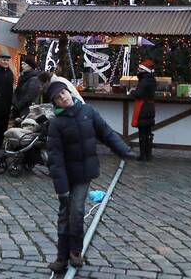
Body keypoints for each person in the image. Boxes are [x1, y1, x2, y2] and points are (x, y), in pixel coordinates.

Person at [44, 82, 133, 273]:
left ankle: (75, 252)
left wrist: (123, 150)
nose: (63, 97)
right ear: (55, 103)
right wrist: (62, 189)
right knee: (64, 214)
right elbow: (55, 159)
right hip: (66, 177)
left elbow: (106, 133)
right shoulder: (56, 124)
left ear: (69, 92)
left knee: (76, 211)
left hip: (84, 174)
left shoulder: (88, 112)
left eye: (64, 93)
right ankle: (61, 257)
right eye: (58, 97)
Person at [130, 59, 157, 161]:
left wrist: (132, 92)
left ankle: (143, 155)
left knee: (142, 133)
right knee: (148, 133)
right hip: (150, 107)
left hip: (143, 108)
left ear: (144, 70)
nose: (138, 70)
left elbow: (139, 94)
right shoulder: (152, 79)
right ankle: (148, 154)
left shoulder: (144, 80)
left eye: (140, 69)